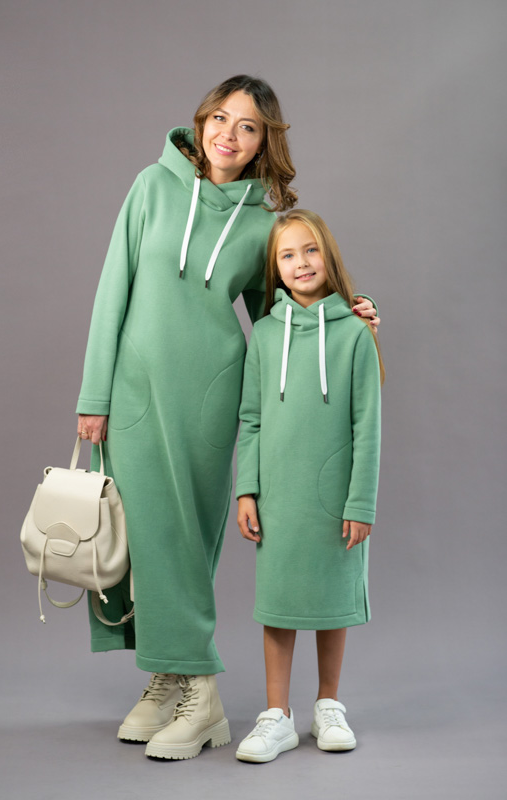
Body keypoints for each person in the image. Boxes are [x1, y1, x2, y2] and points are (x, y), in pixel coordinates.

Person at [76, 76, 380, 761]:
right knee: (139, 539)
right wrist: (94, 395)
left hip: (210, 403)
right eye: (220, 118)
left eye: (247, 126)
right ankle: (169, 676)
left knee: (183, 542)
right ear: (201, 121)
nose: (228, 135)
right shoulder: (151, 188)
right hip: (132, 395)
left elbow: (286, 312)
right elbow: (112, 289)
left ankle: (201, 693)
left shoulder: (264, 225)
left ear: (264, 142)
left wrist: (350, 314)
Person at [235, 209, 383, 763]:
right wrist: (246, 489)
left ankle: (328, 705)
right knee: (278, 603)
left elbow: (367, 426)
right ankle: (276, 715)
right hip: (277, 495)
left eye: (311, 250)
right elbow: (251, 418)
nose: (301, 263)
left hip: (335, 496)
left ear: (329, 256)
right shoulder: (264, 334)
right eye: (288, 254)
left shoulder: (356, 334)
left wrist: (360, 501)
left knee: (331, 600)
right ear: (274, 268)